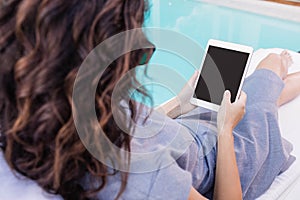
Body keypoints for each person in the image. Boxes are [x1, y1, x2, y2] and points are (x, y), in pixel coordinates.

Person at [0, 0, 299, 199]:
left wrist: (180, 104)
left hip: (188, 130)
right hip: (233, 151)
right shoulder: (146, 180)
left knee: (247, 92)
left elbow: (141, 131)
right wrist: (225, 128)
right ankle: (267, 89)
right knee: (271, 66)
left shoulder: (73, 109)